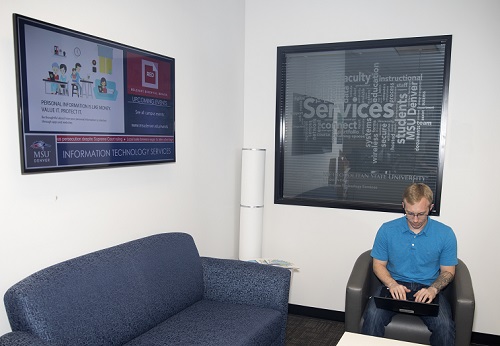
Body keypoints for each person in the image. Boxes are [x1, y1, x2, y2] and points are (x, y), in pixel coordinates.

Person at [361, 183, 457, 346]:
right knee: (372, 316)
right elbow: (378, 264)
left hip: (428, 288)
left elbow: (448, 271)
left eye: (421, 214)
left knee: (445, 326)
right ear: (403, 206)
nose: (415, 220)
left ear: (431, 208)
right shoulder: (387, 230)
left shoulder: (445, 233)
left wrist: (433, 289)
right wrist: (392, 284)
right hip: (394, 286)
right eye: (410, 213)